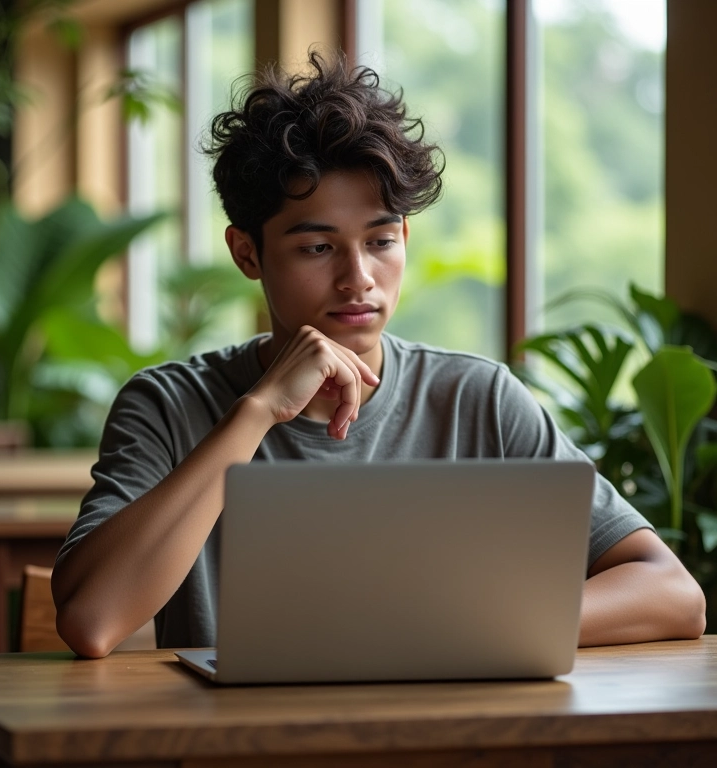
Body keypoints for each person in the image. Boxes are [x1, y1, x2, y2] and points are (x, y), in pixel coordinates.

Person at [52, 51, 706, 658]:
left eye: (381, 241)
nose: (358, 277)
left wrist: (442, 633)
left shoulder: (478, 401)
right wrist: (254, 415)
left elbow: (672, 596)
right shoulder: (168, 404)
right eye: (317, 247)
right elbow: (93, 621)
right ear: (246, 252)